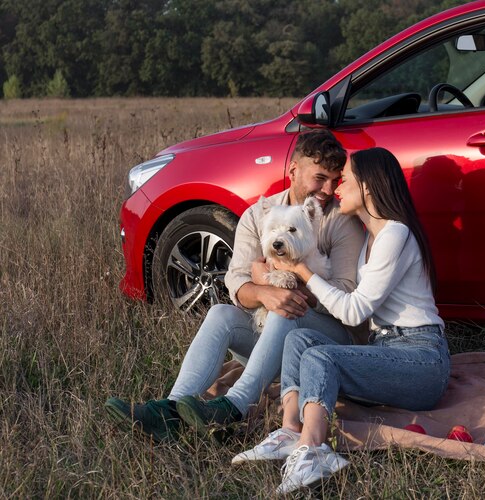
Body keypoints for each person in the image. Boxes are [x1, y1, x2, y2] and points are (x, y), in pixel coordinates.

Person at [105, 130, 365, 442]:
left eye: (335, 181)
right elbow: (236, 282)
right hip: (274, 335)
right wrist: (264, 291)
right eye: (320, 177)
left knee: (284, 306)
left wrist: (292, 290)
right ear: (294, 170)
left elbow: (347, 296)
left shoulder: (339, 222)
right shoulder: (260, 214)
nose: (327, 189)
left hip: (327, 339)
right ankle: (170, 411)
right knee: (221, 314)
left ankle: (236, 404)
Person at [232, 148, 450, 494]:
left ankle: (313, 448)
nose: (337, 187)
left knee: (321, 356)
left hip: (421, 359)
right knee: (298, 339)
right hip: (385, 349)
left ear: (367, 186)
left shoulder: (396, 233)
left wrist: (300, 270)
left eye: (345, 179)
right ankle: (290, 430)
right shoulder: (370, 237)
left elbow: (353, 311)